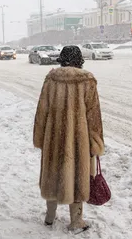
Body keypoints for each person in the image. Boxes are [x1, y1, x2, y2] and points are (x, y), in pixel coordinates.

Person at [33, 45, 104, 233]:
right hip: (78, 141)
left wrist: (40, 138)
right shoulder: (87, 81)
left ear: (62, 59)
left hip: (53, 139)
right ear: (79, 60)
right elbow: (93, 116)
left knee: (53, 175)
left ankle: (49, 216)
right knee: (78, 177)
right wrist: (95, 142)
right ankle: (76, 221)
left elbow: (42, 111)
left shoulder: (51, 79)